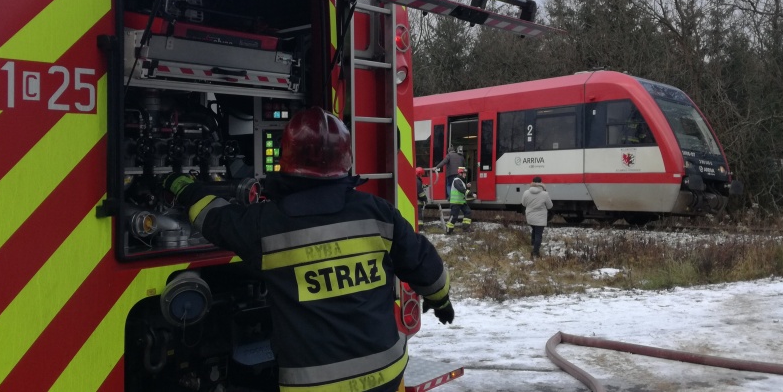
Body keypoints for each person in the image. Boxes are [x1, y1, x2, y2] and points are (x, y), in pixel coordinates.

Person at [164, 107, 455, 392]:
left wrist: (185, 189)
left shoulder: (265, 224)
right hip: (386, 375)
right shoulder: (377, 213)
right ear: (345, 160)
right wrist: (441, 301)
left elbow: (214, 219)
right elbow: (423, 262)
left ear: (286, 160)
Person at [521, 176, 553, 257]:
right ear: (541, 183)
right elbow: (550, 206)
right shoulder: (545, 194)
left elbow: (523, 204)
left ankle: (533, 245)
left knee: (534, 231)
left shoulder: (526, 192)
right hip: (540, 217)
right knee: (538, 234)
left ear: (532, 182)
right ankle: (535, 252)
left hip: (530, 216)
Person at [446, 166, 474, 234]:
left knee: (468, 212)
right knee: (454, 217)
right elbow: (461, 189)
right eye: (464, 173)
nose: (465, 175)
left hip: (461, 202)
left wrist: (467, 187)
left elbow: (462, 189)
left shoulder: (460, 181)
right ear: (461, 173)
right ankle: (449, 231)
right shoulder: (456, 180)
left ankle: (466, 228)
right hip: (456, 202)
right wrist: (471, 193)